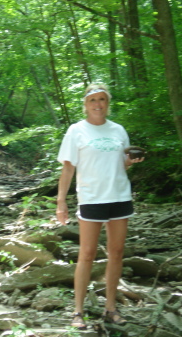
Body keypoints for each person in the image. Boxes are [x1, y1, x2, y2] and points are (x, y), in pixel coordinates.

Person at [56, 83, 144, 330]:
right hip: (92, 198)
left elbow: (122, 163)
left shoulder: (118, 130)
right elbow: (68, 167)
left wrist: (131, 160)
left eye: (102, 99)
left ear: (108, 102)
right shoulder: (76, 131)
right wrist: (61, 201)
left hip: (119, 197)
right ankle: (78, 311)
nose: (98, 104)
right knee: (86, 255)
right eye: (93, 100)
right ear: (85, 104)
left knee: (116, 254)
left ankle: (110, 308)